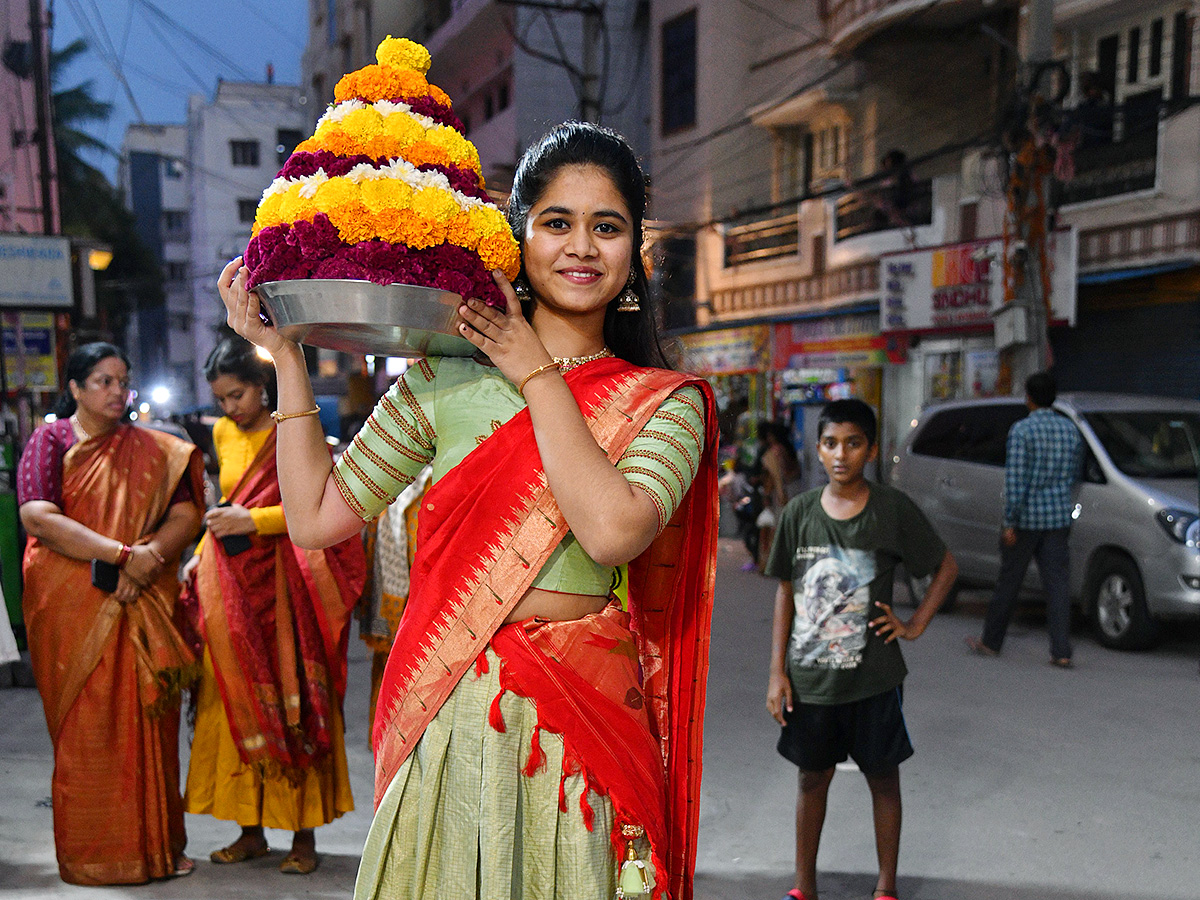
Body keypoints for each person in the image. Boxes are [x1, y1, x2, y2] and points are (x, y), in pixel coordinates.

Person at [218, 121, 719, 900]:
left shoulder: (665, 404)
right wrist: (288, 358)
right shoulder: (438, 383)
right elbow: (317, 518)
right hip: (445, 705)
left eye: (607, 226)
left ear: (634, 258)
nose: (581, 246)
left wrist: (537, 375)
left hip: (576, 720)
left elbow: (613, 531)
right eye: (557, 222)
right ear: (516, 240)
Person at [17, 342, 205, 885]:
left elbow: (187, 511)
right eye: (103, 381)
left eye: (123, 381)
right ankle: (93, 855)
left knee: (149, 721)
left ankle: (158, 850)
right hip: (73, 605)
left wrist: (148, 561)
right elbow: (38, 517)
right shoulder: (49, 440)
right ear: (75, 387)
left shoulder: (153, 447)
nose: (117, 392)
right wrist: (123, 556)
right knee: (87, 730)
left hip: (141, 601)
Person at [180, 335, 366, 874]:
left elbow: (321, 507)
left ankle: (303, 837)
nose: (228, 410)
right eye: (220, 400)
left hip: (290, 590)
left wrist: (254, 522)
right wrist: (200, 553)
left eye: (236, 396)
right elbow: (228, 503)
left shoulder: (295, 429)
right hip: (231, 585)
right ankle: (250, 830)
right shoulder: (220, 432)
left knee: (296, 699)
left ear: (263, 388)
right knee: (235, 701)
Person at [764, 399, 957, 900]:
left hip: (874, 677)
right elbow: (785, 589)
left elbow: (945, 567)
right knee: (812, 779)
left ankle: (886, 886)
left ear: (870, 449)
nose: (840, 455)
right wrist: (776, 673)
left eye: (853, 443)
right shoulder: (800, 514)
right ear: (818, 448)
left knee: (883, 779)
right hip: (811, 681)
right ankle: (804, 884)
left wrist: (914, 624)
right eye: (830, 443)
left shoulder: (891, 510)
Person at [966, 372, 1083, 668]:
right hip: (1057, 518)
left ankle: (991, 642)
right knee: (1057, 586)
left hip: (1026, 520)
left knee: (1009, 582)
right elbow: (1072, 475)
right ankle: (1061, 651)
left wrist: (1009, 522)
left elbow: (1016, 481)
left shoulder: (1022, 431)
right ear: (1054, 398)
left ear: (1028, 398)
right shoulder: (1070, 430)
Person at [758, 421, 802, 571]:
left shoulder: (775, 451)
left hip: (781, 492)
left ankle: (774, 564)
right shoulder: (787, 449)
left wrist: (777, 492)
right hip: (791, 490)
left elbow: (775, 476)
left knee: (777, 528)